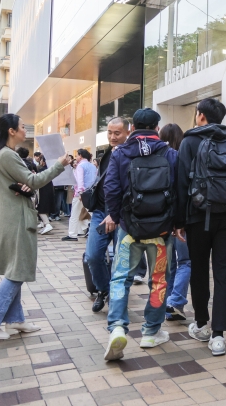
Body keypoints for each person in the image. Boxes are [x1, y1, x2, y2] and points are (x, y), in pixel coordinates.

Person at [0, 114, 65, 340]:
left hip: (10, 218)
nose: (26, 130)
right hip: (16, 220)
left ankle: (15, 320)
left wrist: (26, 185)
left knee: (16, 269)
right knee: (18, 271)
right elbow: (34, 181)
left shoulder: (0, 153)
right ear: (12, 131)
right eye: (23, 126)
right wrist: (59, 165)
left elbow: (23, 183)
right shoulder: (7, 155)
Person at [102, 108, 178, 360]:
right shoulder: (170, 154)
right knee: (159, 280)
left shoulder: (120, 153)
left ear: (132, 128)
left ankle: (117, 327)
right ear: (157, 128)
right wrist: (177, 222)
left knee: (120, 278)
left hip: (129, 230)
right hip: (161, 232)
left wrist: (117, 217)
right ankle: (151, 332)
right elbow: (180, 190)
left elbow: (111, 188)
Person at [175, 98, 226, 356]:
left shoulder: (189, 142)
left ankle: (202, 324)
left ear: (201, 116)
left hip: (197, 217)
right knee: (223, 273)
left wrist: (179, 222)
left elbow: (182, 183)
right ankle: (218, 336)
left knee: (199, 271)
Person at [85, 117, 130, 313]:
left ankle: (116, 296)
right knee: (93, 255)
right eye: (110, 133)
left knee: (120, 260)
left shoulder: (130, 154)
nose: (112, 137)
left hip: (121, 215)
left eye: (117, 133)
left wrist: (116, 214)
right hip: (100, 212)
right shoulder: (106, 153)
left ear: (128, 132)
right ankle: (104, 289)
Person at [159, 123, 191, 322]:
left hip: (162, 219)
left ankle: (168, 306)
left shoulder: (158, 160)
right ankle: (175, 301)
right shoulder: (182, 159)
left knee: (169, 265)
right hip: (181, 219)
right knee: (186, 261)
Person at [64, 149, 96, 241]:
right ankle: (94, 232)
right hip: (91, 192)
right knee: (93, 213)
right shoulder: (92, 166)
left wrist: (80, 192)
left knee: (74, 214)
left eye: (77, 155)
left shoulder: (80, 166)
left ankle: (72, 234)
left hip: (80, 194)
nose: (76, 157)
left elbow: (80, 181)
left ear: (80, 156)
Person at [34, 154, 56, 235]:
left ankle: (47, 224)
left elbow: (37, 180)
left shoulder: (42, 170)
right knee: (46, 208)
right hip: (50, 190)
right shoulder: (50, 170)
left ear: (43, 161)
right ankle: (44, 224)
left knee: (41, 209)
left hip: (43, 191)